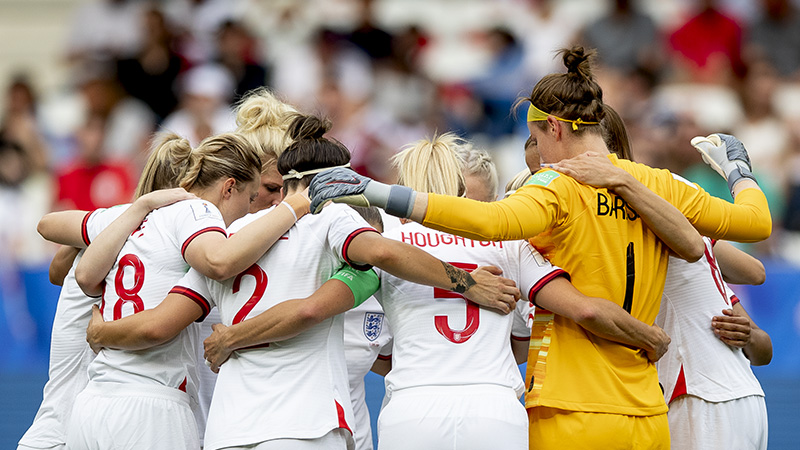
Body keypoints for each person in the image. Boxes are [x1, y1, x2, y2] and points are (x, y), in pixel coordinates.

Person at [308, 46, 771, 449]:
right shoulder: (658, 184)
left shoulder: (556, 185)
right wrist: (739, 174)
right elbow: (755, 225)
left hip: (571, 407)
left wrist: (377, 191)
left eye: (533, 141)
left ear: (553, 127)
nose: (536, 158)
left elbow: (493, 221)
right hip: (648, 409)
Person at [83, 115, 519, 450]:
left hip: (229, 428)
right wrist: (466, 282)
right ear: (340, 182)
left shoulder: (233, 236)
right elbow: (379, 255)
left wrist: (101, 331)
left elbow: (162, 321)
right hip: (304, 427)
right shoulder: (332, 219)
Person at [38, 131, 310, 450]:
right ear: (229, 187)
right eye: (251, 198)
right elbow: (219, 262)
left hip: (93, 403)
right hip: (150, 406)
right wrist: (296, 206)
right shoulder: (199, 213)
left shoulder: (131, 217)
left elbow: (80, 272)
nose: (251, 210)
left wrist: (141, 204)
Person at [19, 135, 197, 450]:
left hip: (66, 424)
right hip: (90, 422)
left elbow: (57, 269)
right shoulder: (146, 228)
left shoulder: (115, 225)